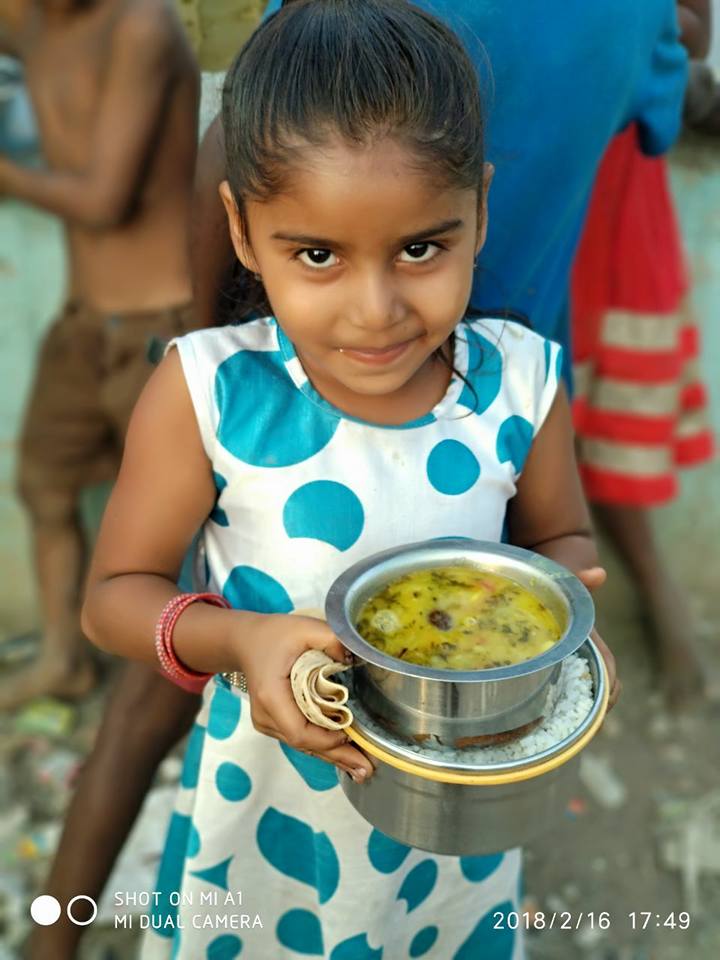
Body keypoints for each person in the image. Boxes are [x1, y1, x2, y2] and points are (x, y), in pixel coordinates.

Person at [81, 2, 618, 957]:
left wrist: (566, 628)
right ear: (243, 233)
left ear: (481, 211)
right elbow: (115, 600)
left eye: (421, 248)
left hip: (454, 838)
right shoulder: (210, 393)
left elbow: (559, 546)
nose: (376, 311)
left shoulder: (524, 386)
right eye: (317, 256)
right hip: (261, 829)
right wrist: (237, 638)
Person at [0, 0, 200, 709]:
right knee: (45, 489)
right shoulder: (32, 26)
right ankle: (64, 662)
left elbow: (103, 201)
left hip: (160, 328)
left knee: (166, 531)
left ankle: (163, 699)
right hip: (84, 323)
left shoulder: (141, 24)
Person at [570, 0, 714, 707]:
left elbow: (696, 33)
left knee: (612, 418)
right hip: (533, 162)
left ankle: (659, 597)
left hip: (618, 179)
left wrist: (629, 18)